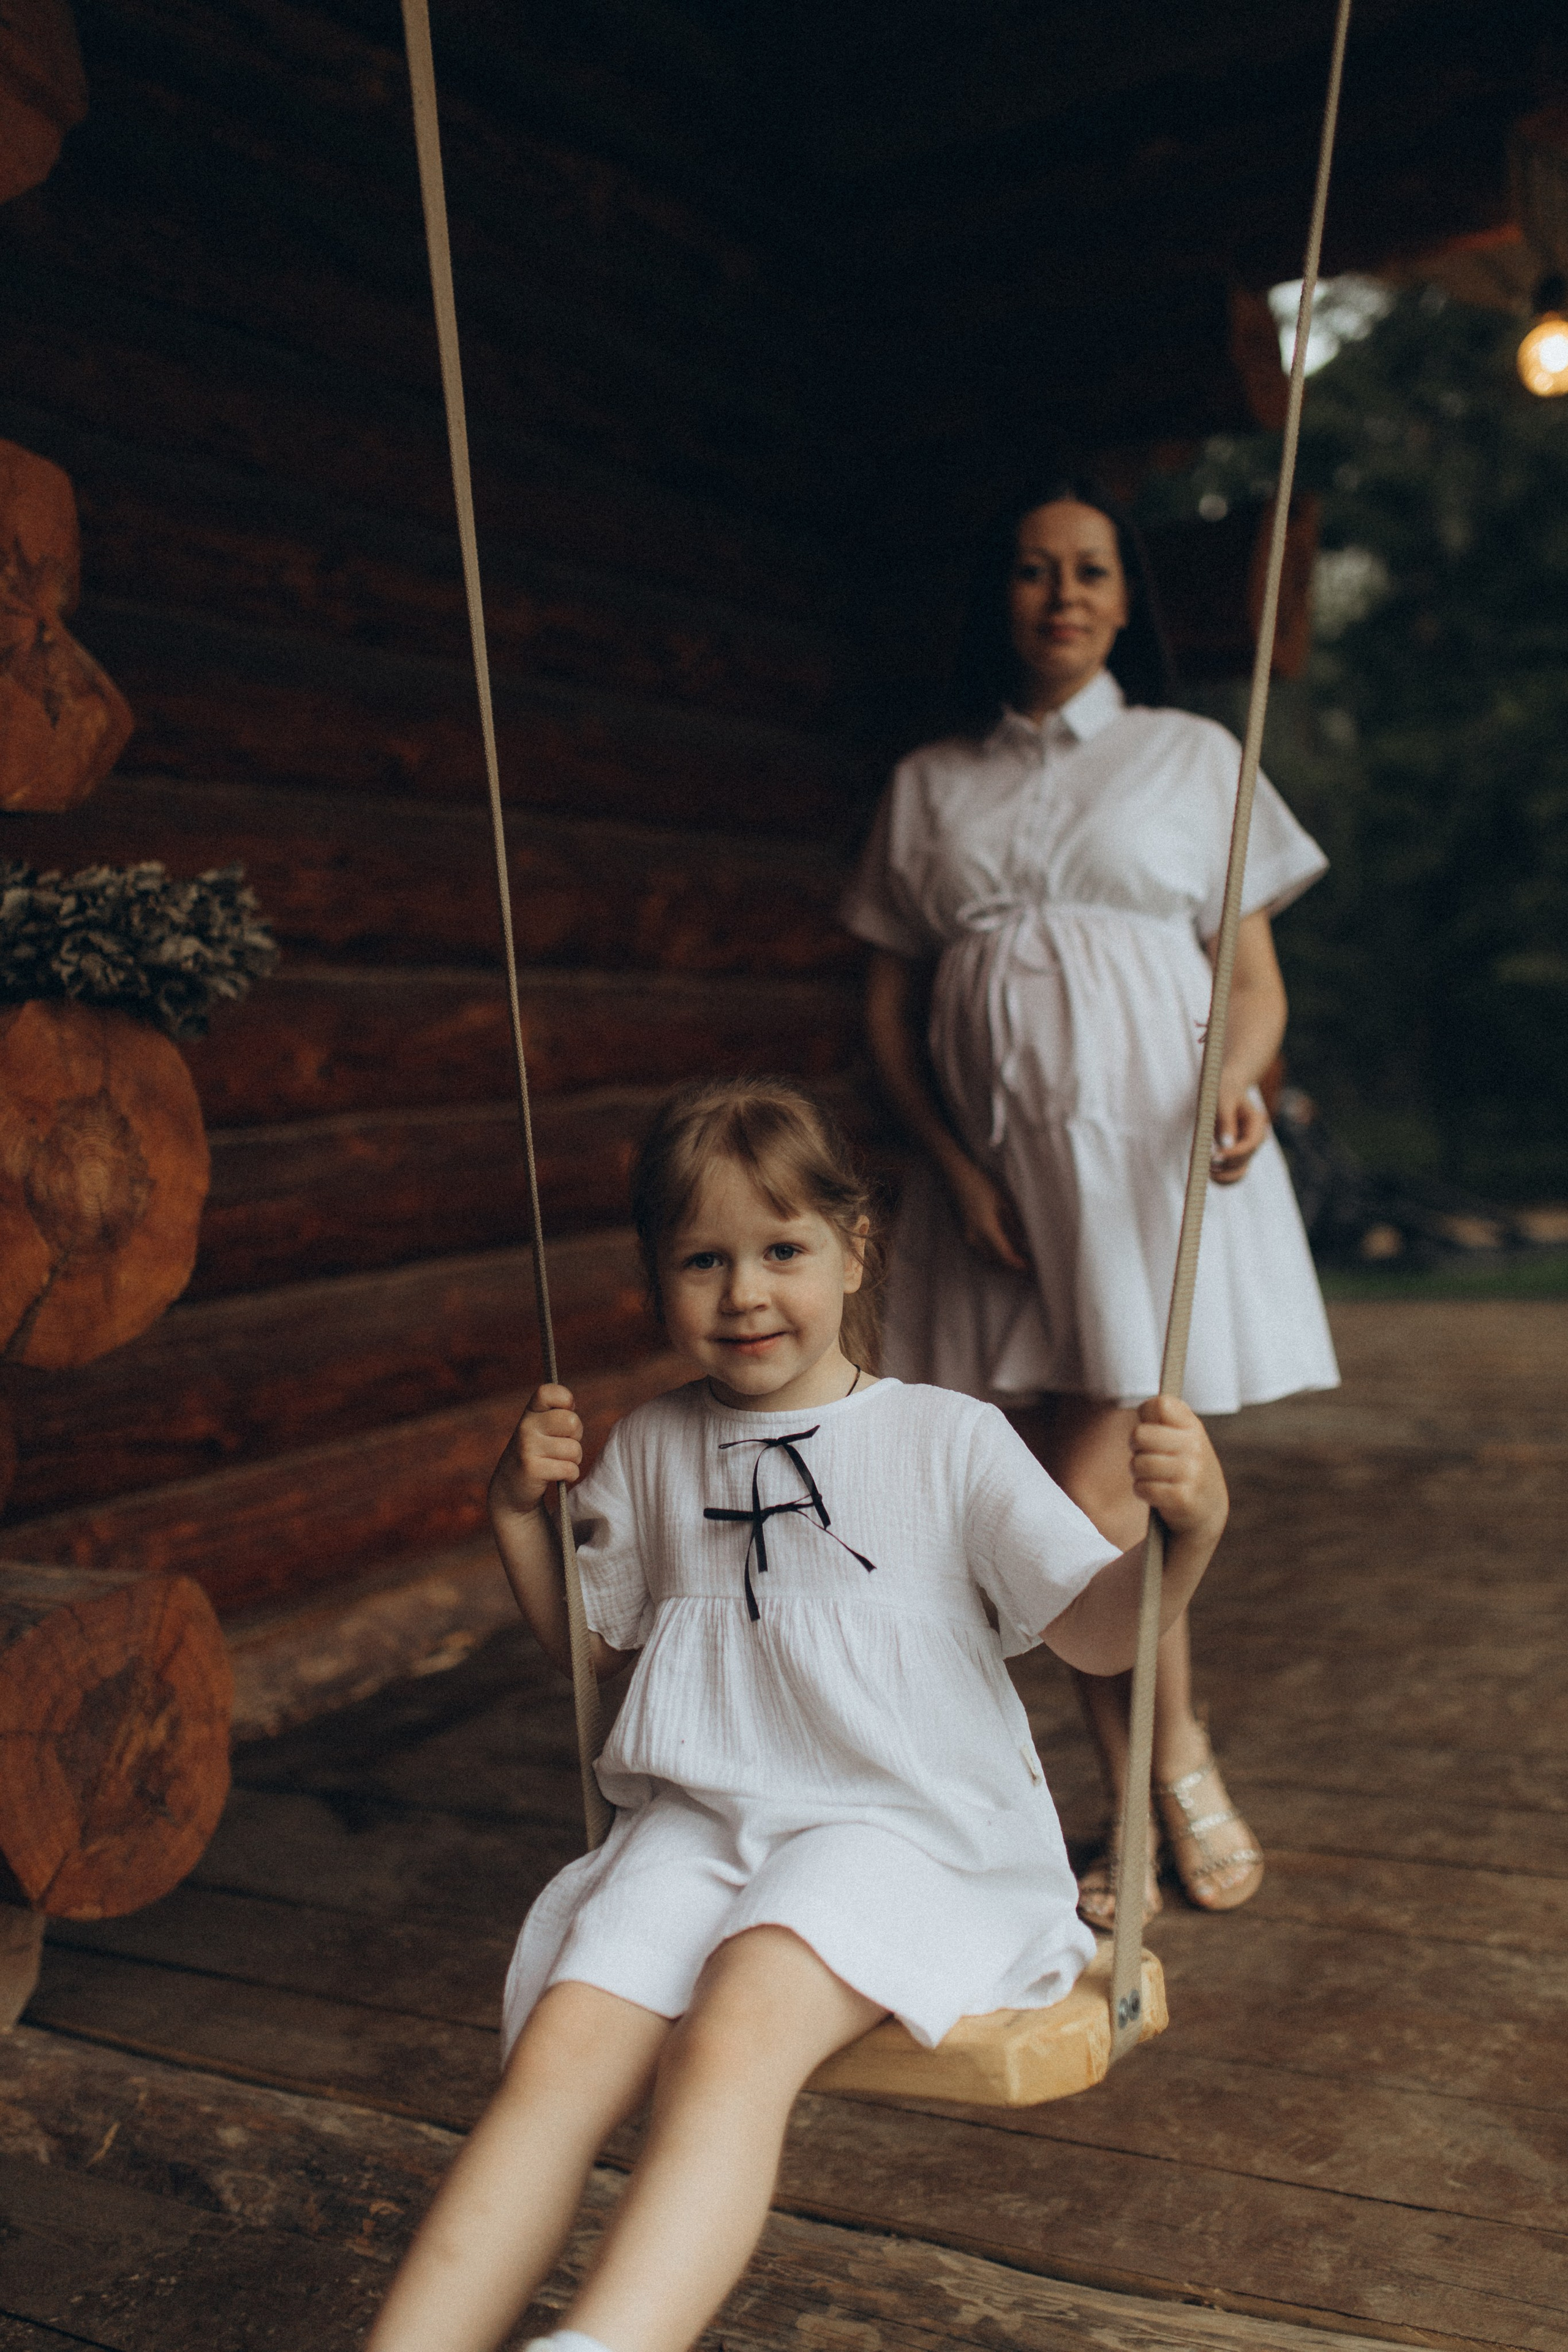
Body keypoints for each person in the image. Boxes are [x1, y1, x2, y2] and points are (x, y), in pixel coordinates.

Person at [365, 1076, 1231, 2352]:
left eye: (781, 1251)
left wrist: (1185, 1536)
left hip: (899, 1834)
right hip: (703, 1825)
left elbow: (1098, 1634)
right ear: (658, 1275)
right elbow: (590, 1666)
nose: (744, 1294)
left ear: (852, 1247)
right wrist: (513, 1520)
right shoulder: (654, 1444)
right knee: (561, 2047)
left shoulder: (948, 1442)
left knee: (739, 2017)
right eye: (701, 1260)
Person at [840, 477, 1339, 1928]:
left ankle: (1153, 1777)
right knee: (1085, 1510)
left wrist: (1237, 1084)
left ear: (1125, 600)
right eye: (1030, 570)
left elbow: (1249, 983)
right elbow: (888, 1010)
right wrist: (949, 1162)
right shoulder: (931, 784)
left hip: (1145, 1170)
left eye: (1088, 571)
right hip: (1003, 1189)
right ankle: (1154, 1782)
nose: (1059, 594)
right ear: (998, 598)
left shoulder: (1190, 756)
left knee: (1080, 1500)